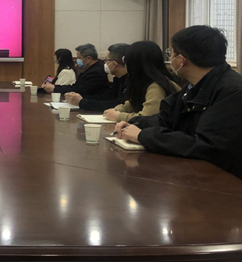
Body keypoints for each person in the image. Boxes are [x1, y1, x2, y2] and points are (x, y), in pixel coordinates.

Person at [116, 26, 242, 178]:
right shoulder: (193, 85)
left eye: (171, 53)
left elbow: (207, 146)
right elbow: (166, 118)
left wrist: (143, 135)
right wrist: (136, 123)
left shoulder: (232, 91)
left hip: (224, 179)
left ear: (181, 61)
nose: (170, 59)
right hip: (195, 172)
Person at [103, 41, 179, 122]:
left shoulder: (156, 87)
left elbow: (147, 118)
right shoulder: (144, 83)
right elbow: (133, 103)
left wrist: (118, 116)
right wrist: (117, 110)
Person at [65, 43, 129, 111]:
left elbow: (117, 104)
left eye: (106, 60)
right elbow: (107, 98)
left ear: (114, 64)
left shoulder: (130, 82)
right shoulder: (118, 79)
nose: (105, 64)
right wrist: (80, 99)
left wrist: (82, 102)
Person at [41, 43, 110, 98]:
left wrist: (55, 88)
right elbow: (75, 87)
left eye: (79, 58)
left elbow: (79, 90)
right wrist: (55, 87)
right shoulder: (90, 69)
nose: (77, 60)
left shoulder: (95, 72)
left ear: (88, 58)